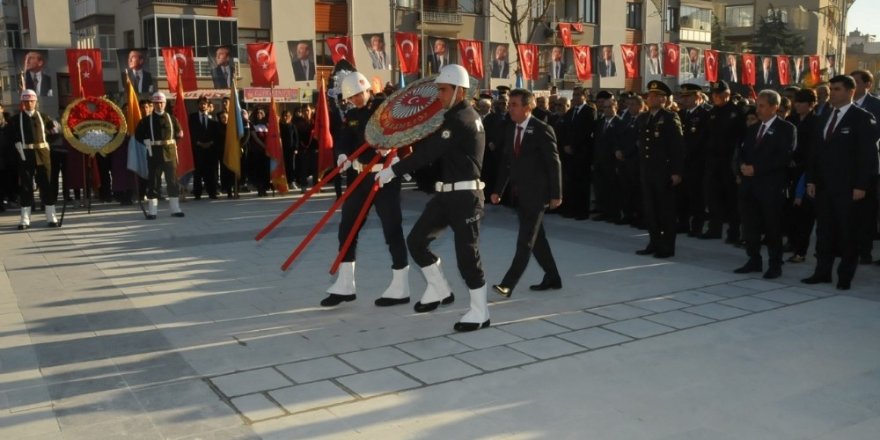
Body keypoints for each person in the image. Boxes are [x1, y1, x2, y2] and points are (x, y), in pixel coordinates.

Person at [375, 64, 489, 332]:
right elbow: (427, 143)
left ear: (459, 91)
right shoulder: (454, 116)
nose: (439, 95)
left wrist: (393, 170)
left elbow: (429, 153)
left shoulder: (461, 119)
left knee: (467, 256)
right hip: (446, 195)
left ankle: (480, 311)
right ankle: (439, 288)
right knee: (416, 241)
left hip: (465, 197)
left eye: (443, 90)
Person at [320, 72, 411, 308]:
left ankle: (401, 285)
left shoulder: (385, 107)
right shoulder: (351, 114)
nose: (356, 100)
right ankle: (345, 284)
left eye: (358, 95)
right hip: (359, 177)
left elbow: (404, 131)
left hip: (385, 176)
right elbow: (344, 138)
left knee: (392, 228)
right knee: (347, 227)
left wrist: (390, 146)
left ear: (367, 90)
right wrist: (341, 155)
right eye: (351, 98)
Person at [803, 75, 879, 290]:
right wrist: (811, 179)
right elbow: (815, 152)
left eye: (836, 89)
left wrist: (862, 185)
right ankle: (822, 272)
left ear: (849, 92)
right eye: (831, 89)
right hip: (825, 186)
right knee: (824, 232)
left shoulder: (862, 118)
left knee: (848, 233)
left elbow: (868, 155)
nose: (832, 93)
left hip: (848, 187)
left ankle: (845, 276)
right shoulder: (825, 114)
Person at [489, 88, 562, 298]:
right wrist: (497, 190)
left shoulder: (542, 129)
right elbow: (507, 163)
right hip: (519, 192)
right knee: (538, 239)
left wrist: (556, 193)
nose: (509, 108)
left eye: (514, 105)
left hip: (538, 194)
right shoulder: (511, 128)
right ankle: (553, 277)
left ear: (527, 107)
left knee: (526, 240)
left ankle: (507, 284)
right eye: (510, 104)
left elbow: (553, 163)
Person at [734, 90, 796, 279]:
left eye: (761, 105)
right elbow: (742, 151)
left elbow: (784, 157)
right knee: (750, 227)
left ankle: (775, 264)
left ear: (774, 107)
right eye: (757, 105)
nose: (758, 109)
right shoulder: (753, 128)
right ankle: (754, 259)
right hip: (749, 186)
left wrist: (757, 168)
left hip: (770, 187)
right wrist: (742, 166)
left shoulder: (786, 128)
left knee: (772, 228)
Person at [634, 81, 684, 258]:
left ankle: (667, 247)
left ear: (664, 99)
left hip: (664, 171)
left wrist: (677, 172)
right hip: (647, 171)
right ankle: (654, 242)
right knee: (651, 209)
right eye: (650, 95)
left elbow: (677, 147)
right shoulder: (643, 117)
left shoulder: (670, 118)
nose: (651, 98)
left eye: (656, 96)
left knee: (666, 210)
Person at [9, 89, 60, 229]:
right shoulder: (15, 119)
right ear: (22, 103)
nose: (29, 103)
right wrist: (17, 145)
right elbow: (10, 136)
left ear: (36, 102)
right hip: (25, 154)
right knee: (26, 186)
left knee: (47, 185)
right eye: (26, 101)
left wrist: (47, 143)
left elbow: (55, 132)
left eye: (31, 101)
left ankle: (51, 217)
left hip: (42, 154)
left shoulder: (44, 117)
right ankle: (25, 219)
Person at [702, 80, 745, 243]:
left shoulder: (737, 112)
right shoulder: (712, 112)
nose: (716, 97)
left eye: (719, 95)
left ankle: (733, 233)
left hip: (729, 162)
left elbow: (741, 137)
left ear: (727, 95)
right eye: (714, 95)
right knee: (713, 197)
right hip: (713, 161)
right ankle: (714, 229)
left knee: (731, 199)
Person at [134, 92, 185, 219]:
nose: (159, 105)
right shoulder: (146, 121)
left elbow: (179, 133)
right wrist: (147, 142)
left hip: (170, 153)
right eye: (156, 103)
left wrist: (174, 142)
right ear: (153, 104)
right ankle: (152, 211)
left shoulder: (172, 118)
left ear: (165, 103)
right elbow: (138, 135)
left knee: (172, 181)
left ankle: (175, 209)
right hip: (154, 154)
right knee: (154, 182)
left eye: (161, 102)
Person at [850, 69, 880, 265]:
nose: (853, 87)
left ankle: (864, 250)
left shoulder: (876, 106)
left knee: (866, 212)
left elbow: (874, 136)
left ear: (867, 85)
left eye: (857, 82)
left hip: (867, 166)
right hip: (844, 167)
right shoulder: (841, 105)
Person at [677, 83, 711, 236]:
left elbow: (702, 139)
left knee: (696, 195)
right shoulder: (681, 114)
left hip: (697, 161)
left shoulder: (705, 114)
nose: (685, 99)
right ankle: (683, 223)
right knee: (682, 194)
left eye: (688, 96)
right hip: (682, 161)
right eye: (683, 96)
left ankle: (697, 226)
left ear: (697, 97)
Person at [189, 95, 222, 199]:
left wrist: (211, 143)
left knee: (211, 172)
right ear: (198, 105)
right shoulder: (192, 117)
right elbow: (190, 132)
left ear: (208, 106)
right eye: (201, 104)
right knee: (198, 173)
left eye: (205, 104)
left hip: (211, 150)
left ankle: (212, 192)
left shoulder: (214, 118)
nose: (203, 105)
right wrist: (198, 142)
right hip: (197, 149)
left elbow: (217, 134)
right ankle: (197, 193)